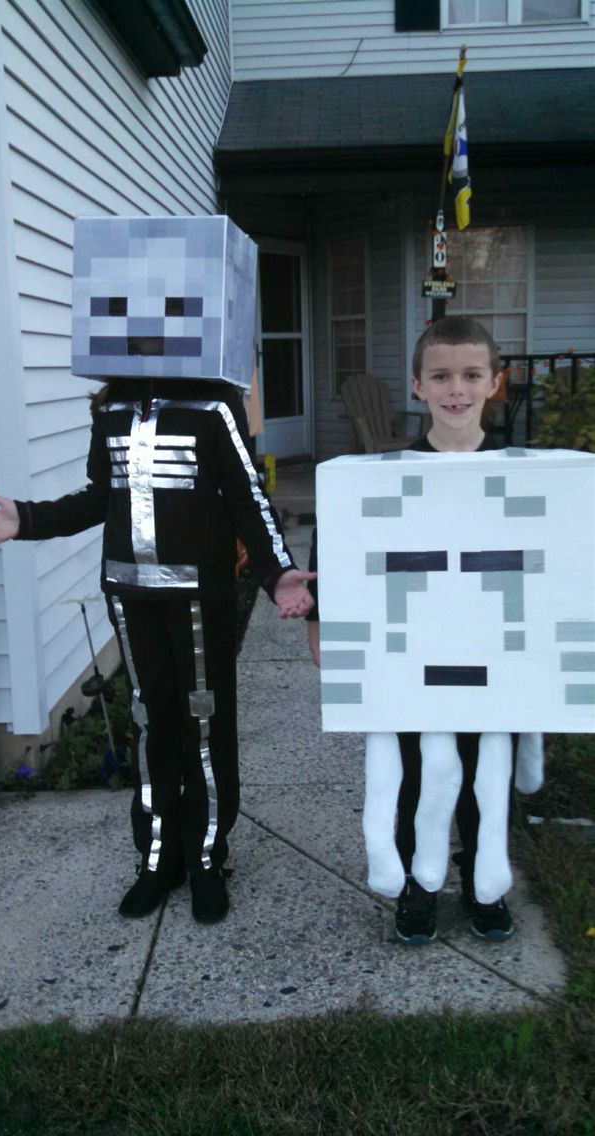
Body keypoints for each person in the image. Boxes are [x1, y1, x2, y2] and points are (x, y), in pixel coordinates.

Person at [0, 215, 315, 926]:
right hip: (129, 592)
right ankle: (159, 855)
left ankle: (210, 853)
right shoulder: (112, 410)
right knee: (149, 719)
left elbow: (250, 496)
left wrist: (280, 572)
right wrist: (25, 520)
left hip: (201, 595)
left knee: (205, 718)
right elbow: (101, 496)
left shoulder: (214, 408)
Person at [307, 316, 542, 945]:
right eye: (441, 375)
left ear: (497, 382)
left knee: (485, 772)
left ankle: (479, 885)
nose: (456, 389)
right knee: (416, 772)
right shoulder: (386, 476)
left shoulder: (531, 477)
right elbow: (343, 542)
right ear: (417, 385)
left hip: (498, 653)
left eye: (471, 375)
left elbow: (561, 556)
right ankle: (418, 885)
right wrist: (319, 614)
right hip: (412, 654)